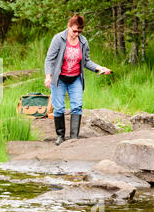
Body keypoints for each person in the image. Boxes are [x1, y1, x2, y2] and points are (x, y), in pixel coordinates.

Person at [44, 15, 112, 146]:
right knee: (58, 108)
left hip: (75, 78)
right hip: (59, 79)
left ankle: (74, 138)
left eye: (79, 32)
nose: (76, 34)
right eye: (74, 31)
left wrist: (99, 68)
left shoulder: (83, 41)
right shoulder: (58, 39)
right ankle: (60, 136)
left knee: (77, 106)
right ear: (69, 26)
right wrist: (48, 76)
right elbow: (49, 59)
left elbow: (86, 61)